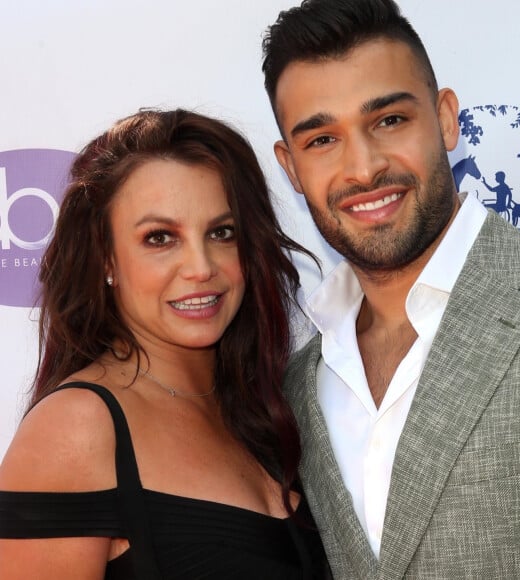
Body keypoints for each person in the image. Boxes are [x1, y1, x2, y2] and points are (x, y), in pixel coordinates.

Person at [262, 1, 520, 578]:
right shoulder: (295, 382)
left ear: (447, 118)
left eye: (389, 121)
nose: (363, 168)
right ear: (289, 166)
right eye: (322, 140)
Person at [0, 109, 330, 579]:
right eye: (160, 238)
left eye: (221, 232)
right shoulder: (78, 428)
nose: (201, 267)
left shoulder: (269, 409)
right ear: (105, 257)